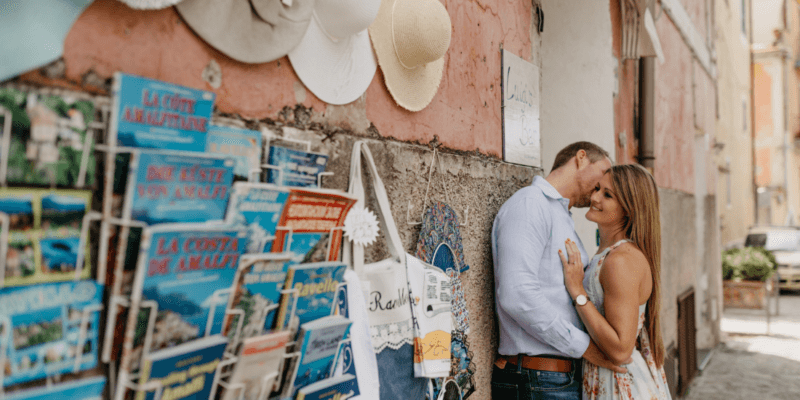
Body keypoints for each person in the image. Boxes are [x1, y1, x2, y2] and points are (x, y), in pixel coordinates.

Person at [491, 142, 626, 400]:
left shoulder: (560, 214)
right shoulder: (531, 204)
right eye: (603, 173)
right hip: (537, 378)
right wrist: (584, 347)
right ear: (581, 158)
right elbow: (516, 294)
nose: (603, 187)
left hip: (551, 379)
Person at [559, 164, 671, 399]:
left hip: (619, 387)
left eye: (607, 195)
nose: (595, 197)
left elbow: (621, 350)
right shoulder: (611, 254)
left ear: (628, 210)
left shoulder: (620, 261)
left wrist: (578, 291)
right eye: (598, 188)